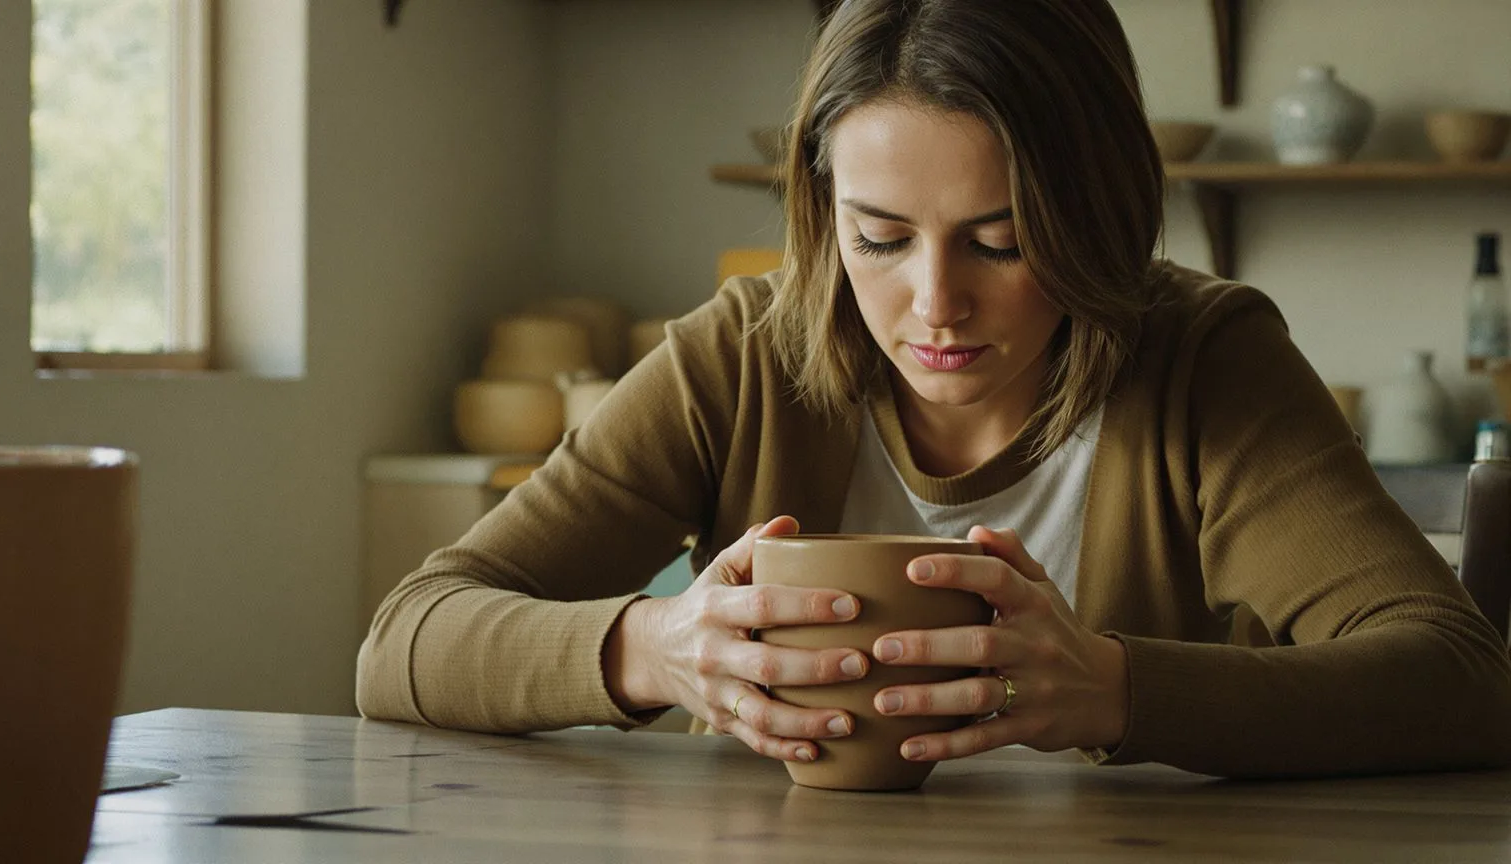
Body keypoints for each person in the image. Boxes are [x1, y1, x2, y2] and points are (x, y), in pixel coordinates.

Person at [357, 0, 1511, 778]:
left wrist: (1116, 691)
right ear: (824, 217)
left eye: (1002, 243)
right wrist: (654, 647)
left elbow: (1459, 678)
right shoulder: (744, 355)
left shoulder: (1205, 364)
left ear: (1098, 215)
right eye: (881, 238)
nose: (935, 303)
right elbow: (405, 641)